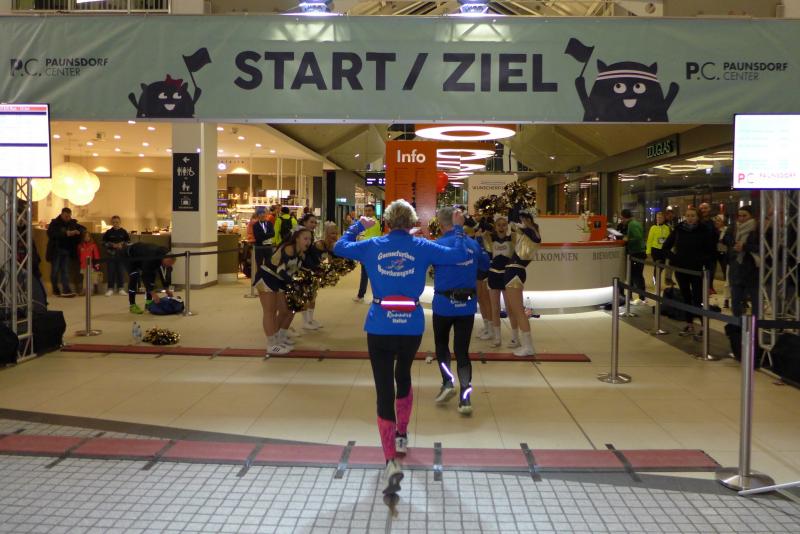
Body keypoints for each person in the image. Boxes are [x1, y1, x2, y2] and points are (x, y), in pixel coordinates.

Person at [334, 199, 468, 496]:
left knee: (384, 390)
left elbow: (339, 247)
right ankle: (402, 436)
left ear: (387, 222)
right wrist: (458, 229)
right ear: (411, 223)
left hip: (379, 324)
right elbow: (458, 255)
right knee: (403, 375)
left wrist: (358, 226)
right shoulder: (422, 247)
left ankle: (390, 461)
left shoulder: (373, 245)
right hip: (410, 325)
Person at [431, 206, 490, 415]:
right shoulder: (473, 244)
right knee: (462, 351)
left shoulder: (437, 245)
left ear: (441, 224)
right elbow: (485, 266)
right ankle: (465, 398)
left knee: (441, 345)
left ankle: (447, 382)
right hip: (467, 306)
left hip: (443, 305)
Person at [253, 226, 313, 355]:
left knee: (285, 310)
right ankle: (271, 345)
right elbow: (281, 270)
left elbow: (298, 270)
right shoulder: (288, 249)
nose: (308, 241)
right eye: (305, 238)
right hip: (267, 277)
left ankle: (278, 339)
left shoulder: (300, 252)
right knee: (270, 312)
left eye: (310, 239)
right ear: (296, 239)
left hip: (279, 281)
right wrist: (294, 283)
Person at [661, 207, 716, 338]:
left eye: (693, 215)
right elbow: (666, 247)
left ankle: (703, 326)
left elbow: (710, 252)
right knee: (686, 297)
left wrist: (704, 263)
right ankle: (689, 324)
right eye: (688, 215)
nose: (690, 218)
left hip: (697, 271)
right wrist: (675, 259)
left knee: (698, 299)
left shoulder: (704, 230)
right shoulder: (679, 229)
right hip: (681, 270)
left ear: (698, 217)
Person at [501, 210, 542, 357]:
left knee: (518, 311)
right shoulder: (527, 234)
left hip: (515, 272)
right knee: (514, 310)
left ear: (528, 220)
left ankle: (528, 346)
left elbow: (520, 227)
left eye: (523, 219)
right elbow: (513, 225)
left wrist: (523, 223)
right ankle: (524, 344)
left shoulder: (533, 235)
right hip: (513, 272)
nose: (520, 222)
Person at [482, 214, 516, 348]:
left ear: (507, 226)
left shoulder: (512, 238)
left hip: (507, 275)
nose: (501, 227)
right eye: (499, 225)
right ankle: (497, 338)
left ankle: (515, 337)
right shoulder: (490, 239)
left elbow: (518, 234)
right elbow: (483, 233)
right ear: (495, 227)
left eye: (504, 225)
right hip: (493, 275)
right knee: (495, 308)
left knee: (510, 308)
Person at [302, 220, 338, 330]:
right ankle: (305, 322)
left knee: (313, 296)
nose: (334, 235)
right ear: (326, 233)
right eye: (332, 233)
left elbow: (332, 262)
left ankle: (310, 319)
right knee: (306, 297)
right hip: (305, 271)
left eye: (336, 233)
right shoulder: (318, 245)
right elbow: (312, 262)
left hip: (315, 273)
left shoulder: (331, 246)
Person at [724, 206, 759, 317]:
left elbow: (760, 247)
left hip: (751, 267)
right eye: (739, 215)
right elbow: (725, 239)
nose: (741, 218)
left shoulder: (757, 228)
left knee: (755, 300)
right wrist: (734, 244)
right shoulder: (734, 227)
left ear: (751, 216)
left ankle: (755, 324)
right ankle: (737, 323)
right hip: (736, 266)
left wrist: (744, 247)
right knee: (735, 299)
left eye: (745, 216)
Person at [124, 242, 176, 314]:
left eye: (170, 265)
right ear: (165, 259)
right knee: (134, 276)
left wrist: (167, 289)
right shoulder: (152, 258)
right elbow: (145, 276)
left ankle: (148, 302)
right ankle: (132, 305)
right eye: (168, 264)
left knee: (152, 275)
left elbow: (162, 274)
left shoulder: (165, 257)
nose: (168, 266)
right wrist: (153, 294)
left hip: (143, 257)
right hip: (130, 256)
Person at [46, 207, 84, 297]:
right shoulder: (55, 223)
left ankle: (66, 290)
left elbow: (82, 228)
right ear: (62, 214)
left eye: (69, 216)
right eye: (66, 216)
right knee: (55, 271)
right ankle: (55, 289)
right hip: (56, 250)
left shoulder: (72, 223)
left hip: (66, 250)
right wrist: (66, 233)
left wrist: (77, 232)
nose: (68, 218)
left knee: (65, 271)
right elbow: (51, 234)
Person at [353, 204, 381, 303]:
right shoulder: (369, 222)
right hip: (368, 252)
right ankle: (362, 295)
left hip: (370, 253)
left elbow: (369, 239)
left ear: (374, 212)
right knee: (365, 275)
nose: (367, 213)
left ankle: (375, 297)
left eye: (369, 210)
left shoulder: (373, 223)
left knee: (372, 276)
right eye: (366, 211)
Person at [472, 216, 494, 341]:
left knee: (486, 300)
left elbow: (489, 253)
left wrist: (482, 235)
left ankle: (491, 329)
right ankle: (486, 326)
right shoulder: (477, 235)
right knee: (480, 299)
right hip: (478, 269)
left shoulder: (488, 236)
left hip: (486, 271)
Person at [620, 209, 646, 305]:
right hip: (638, 252)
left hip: (636, 253)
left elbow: (638, 237)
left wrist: (627, 240)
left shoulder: (632, 224)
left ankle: (642, 298)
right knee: (632, 275)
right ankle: (631, 296)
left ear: (625, 217)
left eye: (622, 218)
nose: (621, 220)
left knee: (637, 276)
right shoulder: (635, 223)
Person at [102, 215, 130, 296]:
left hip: (121, 255)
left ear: (120, 222)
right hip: (111, 255)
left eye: (117, 222)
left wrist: (122, 244)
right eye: (114, 222)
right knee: (110, 272)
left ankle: (121, 288)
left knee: (121, 271)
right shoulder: (108, 232)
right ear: (112, 223)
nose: (115, 224)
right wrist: (112, 245)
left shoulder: (124, 231)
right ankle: (110, 289)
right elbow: (103, 243)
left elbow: (128, 242)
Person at [646, 211, 671, 288]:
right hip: (655, 250)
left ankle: (655, 279)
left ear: (664, 218)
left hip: (663, 250)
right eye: (657, 218)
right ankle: (655, 282)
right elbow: (649, 240)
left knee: (661, 267)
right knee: (657, 267)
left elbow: (668, 240)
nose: (659, 219)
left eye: (660, 217)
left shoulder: (667, 228)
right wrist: (648, 251)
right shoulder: (653, 228)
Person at [713, 215, 730, 308]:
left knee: (726, 273)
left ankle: (727, 298)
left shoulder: (726, 230)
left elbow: (725, 241)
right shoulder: (714, 230)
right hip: (715, 252)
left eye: (719, 220)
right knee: (712, 270)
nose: (717, 222)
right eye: (716, 220)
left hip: (724, 253)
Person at [77, 230, 101, 296]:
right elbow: (79, 255)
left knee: (91, 278)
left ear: (90, 237)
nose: (87, 238)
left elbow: (96, 256)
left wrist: (97, 266)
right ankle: (84, 290)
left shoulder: (93, 246)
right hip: (83, 264)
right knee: (85, 278)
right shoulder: (80, 246)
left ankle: (91, 290)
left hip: (91, 265)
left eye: (88, 236)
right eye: (85, 236)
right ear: (83, 238)